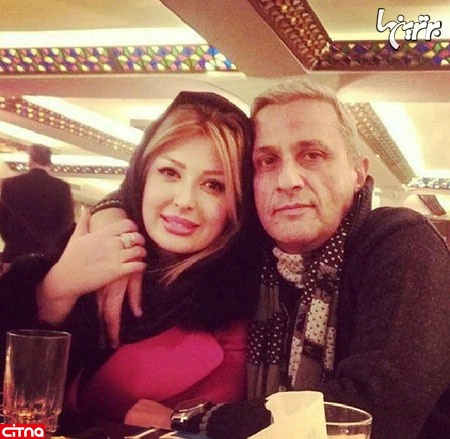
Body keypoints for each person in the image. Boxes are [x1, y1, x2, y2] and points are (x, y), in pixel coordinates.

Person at [91, 80, 450, 439]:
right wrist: (114, 222)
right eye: (267, 161)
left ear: (357, 172)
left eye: (312, 155)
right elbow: (143, 187)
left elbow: (375, 413)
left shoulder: (399, 240)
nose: (288, 180)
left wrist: (199, 420)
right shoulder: (252, 252)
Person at [0, 91, 260, 430]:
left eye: (213, 185)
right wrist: (56, 290)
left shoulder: (242, 306)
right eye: (170, 172)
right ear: (142, 176)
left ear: (238, 202)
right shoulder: (84, 262)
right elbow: (18, 416)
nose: (184, 200)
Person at [0, 144, 74, 270]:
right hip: (47, 256)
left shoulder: (9, 184)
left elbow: (3, 220)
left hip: (14, 253)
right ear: (49, 163)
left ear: (30, 160)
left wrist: (13, 241)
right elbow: (66, 223)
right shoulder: (61, 188)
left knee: (12, 282)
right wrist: (51, 244)